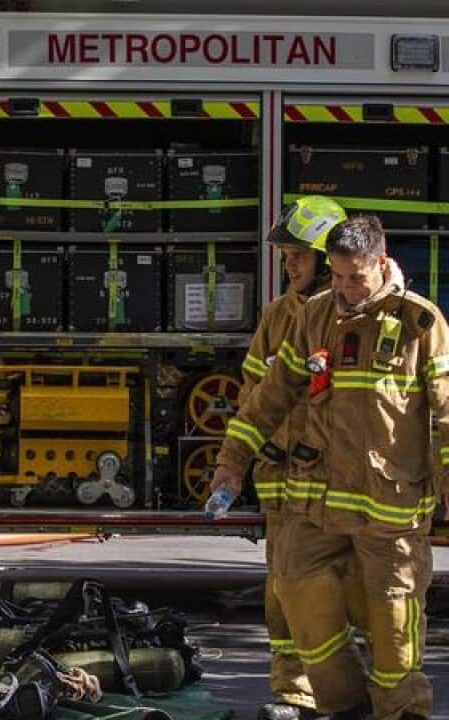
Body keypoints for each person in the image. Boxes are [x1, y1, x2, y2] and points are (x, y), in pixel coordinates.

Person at [211, 214, 447, 720]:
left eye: (355, 278)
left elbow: (447, 414)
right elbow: (270, 396)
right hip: (317, 502)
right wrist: (233, 461)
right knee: (294, 583)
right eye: (337, 277)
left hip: (392, 510)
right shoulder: (315, 315)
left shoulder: (421, 324)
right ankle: (344, 704)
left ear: (382, 264)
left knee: (393, 628)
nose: (345, 290)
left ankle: (401, 711)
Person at [237, 196, 353, 720]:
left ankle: (342, 695)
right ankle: (293, 695)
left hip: (339, 481)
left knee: (339, 594)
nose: (289, 264)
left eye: (299, 255)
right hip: (284, 475)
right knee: (282, 592)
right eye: (286, 254)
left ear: (329, 258)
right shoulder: (279, 315)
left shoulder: (355, 318)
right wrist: (257, 449)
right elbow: (254, 389)